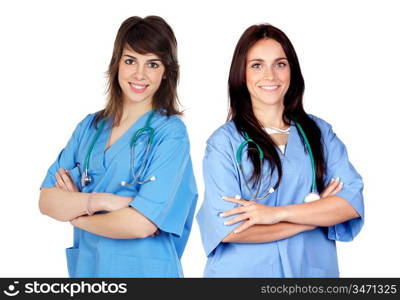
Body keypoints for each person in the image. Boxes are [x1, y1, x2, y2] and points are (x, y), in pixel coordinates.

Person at [196, 24, 364, 277]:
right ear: (242, 74)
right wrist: (315, 216)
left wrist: (274, 215)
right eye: (257, 65)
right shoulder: (224, 143)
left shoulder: (320, 134)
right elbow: (229, 229)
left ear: (292, 71)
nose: (270, 75)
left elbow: (350, 205)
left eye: (280, 64)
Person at [39, 16, 197, 278]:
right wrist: (103, 201)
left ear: (166, 72)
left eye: (153, 64)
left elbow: (142, 224)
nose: (139, 74)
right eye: (130, 60)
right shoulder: (89, 128)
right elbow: (46, 200)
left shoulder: (171, 134)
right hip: (90, 271)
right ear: (117, 64)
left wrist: (77, 214)